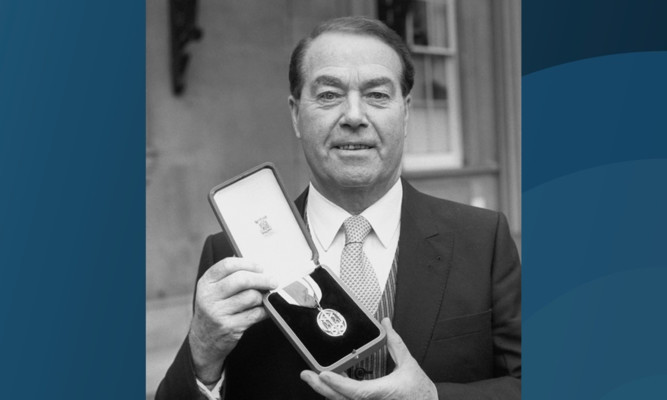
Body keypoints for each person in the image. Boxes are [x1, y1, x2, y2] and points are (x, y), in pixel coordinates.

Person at [156, 16, 520, 400]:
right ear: (296, 114)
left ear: (406, 110)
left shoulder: (483, 241)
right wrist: (202, 353)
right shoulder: (231, 256)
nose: (354, 116)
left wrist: (432, 398)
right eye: (329, 95)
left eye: (377, 94)